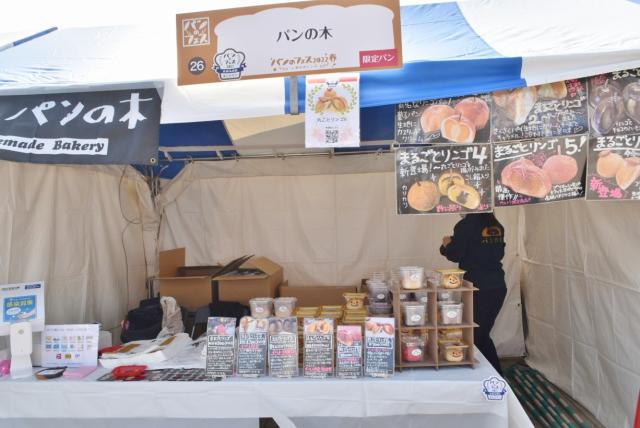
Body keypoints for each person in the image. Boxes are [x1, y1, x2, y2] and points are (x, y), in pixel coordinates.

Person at [439, 213, 507, 374]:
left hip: (478, 287)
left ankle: (495, 376)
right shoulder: (496, 224)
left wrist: (446, 244)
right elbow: (495, 252)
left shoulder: (466, 225)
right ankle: (491, 374)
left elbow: (454, 254)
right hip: (497, 285)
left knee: (477, 335)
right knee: (480, 333)